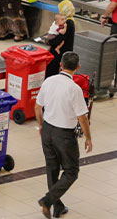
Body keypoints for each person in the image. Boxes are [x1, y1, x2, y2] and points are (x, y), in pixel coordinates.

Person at [35, 52, 91, 219]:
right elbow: (82, 118)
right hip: (64, 135)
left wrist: (41, 126)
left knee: (52, 168)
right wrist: (88, 137)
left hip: (47, 130)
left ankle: (57, 207)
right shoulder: (75, 89)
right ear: (78, 67)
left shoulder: (49, 81)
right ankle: (48, 200)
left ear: (61, 64)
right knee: (71, 171)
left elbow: (38, 107)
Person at [44, 1, 76, 78]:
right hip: (64, 51)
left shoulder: (67, 23)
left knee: (51, 72)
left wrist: (49, 41)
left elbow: (60, 39)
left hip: (60, 54)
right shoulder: (70, 20)